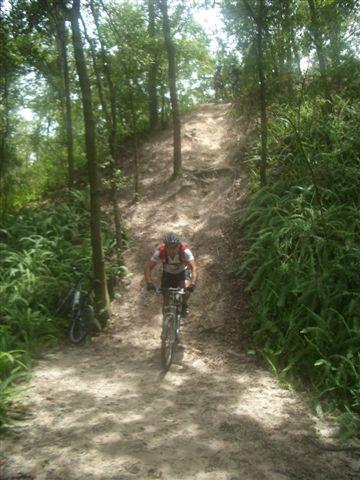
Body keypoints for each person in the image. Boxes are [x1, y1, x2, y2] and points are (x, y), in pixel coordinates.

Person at [144, 232, 197, 318]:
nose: (171, 250)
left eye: (174, 247)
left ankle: (184, 305)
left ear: (179, 246)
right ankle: (166, 325)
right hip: (168, 275)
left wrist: (193, 284)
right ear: (165, 247)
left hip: (182, 273)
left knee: (186, 290)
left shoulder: (185, 252)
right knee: (166, 301)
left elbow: (193, 268)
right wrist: (149, 283)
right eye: (168, 247)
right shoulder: (160, 252)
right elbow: (148, 267)